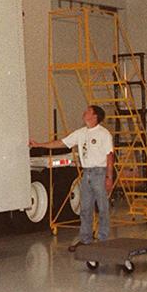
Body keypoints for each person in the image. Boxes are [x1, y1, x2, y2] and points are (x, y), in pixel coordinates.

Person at [30, 105, 113, 251]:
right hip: (86, 173)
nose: (84, 112)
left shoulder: (104, 134)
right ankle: (85, 239)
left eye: (88, 111)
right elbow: (62, 142)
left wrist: (109, 177)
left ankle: (103, 238)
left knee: (102, 207)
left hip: (99, 172)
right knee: (85, 208)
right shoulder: (80, 133)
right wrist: (39, 145)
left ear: (94, 116)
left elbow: (109, 156)